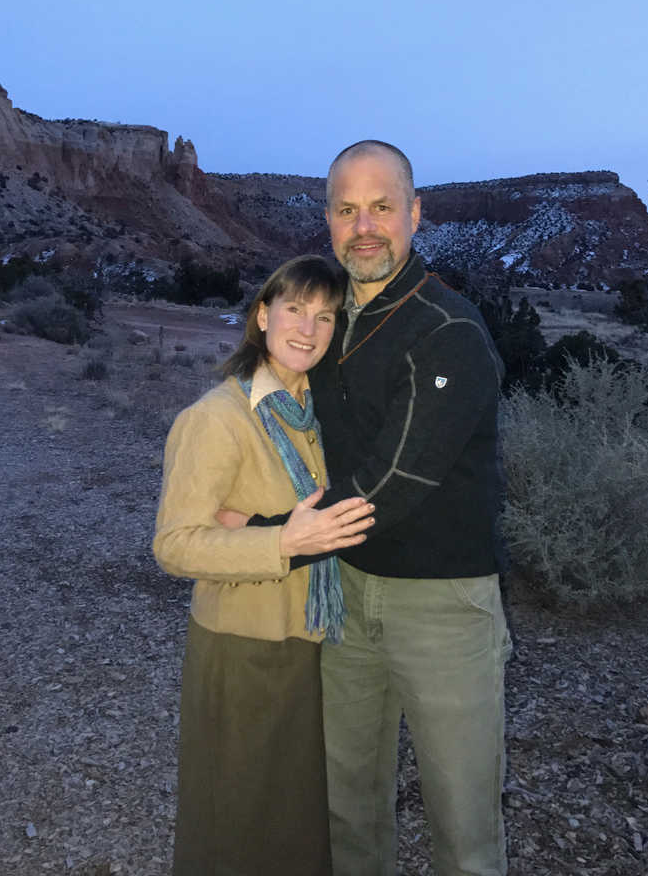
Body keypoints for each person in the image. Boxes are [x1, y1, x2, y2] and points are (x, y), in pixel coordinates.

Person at [246, 141, 511, 876]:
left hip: (444, 609)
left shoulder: (448, 330)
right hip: (345, 597)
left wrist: (263, 535)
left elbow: (389, 484)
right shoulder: (326, 323)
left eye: (383, 207)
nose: (365, 226)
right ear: (327, 220)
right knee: (348, 811)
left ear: (416, 215)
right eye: (347, 209)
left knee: (465, 829)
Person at [152, 255, 375, 876]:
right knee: (237, 818)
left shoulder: (323, 412)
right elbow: (173, 543)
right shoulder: (217, 419)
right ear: (262, 314)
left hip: (315, 639)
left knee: (297, 815)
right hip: (244, 644)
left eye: (326, 316)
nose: (309, 328)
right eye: (295, 309)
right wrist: (279, 543)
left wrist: (253, 523)